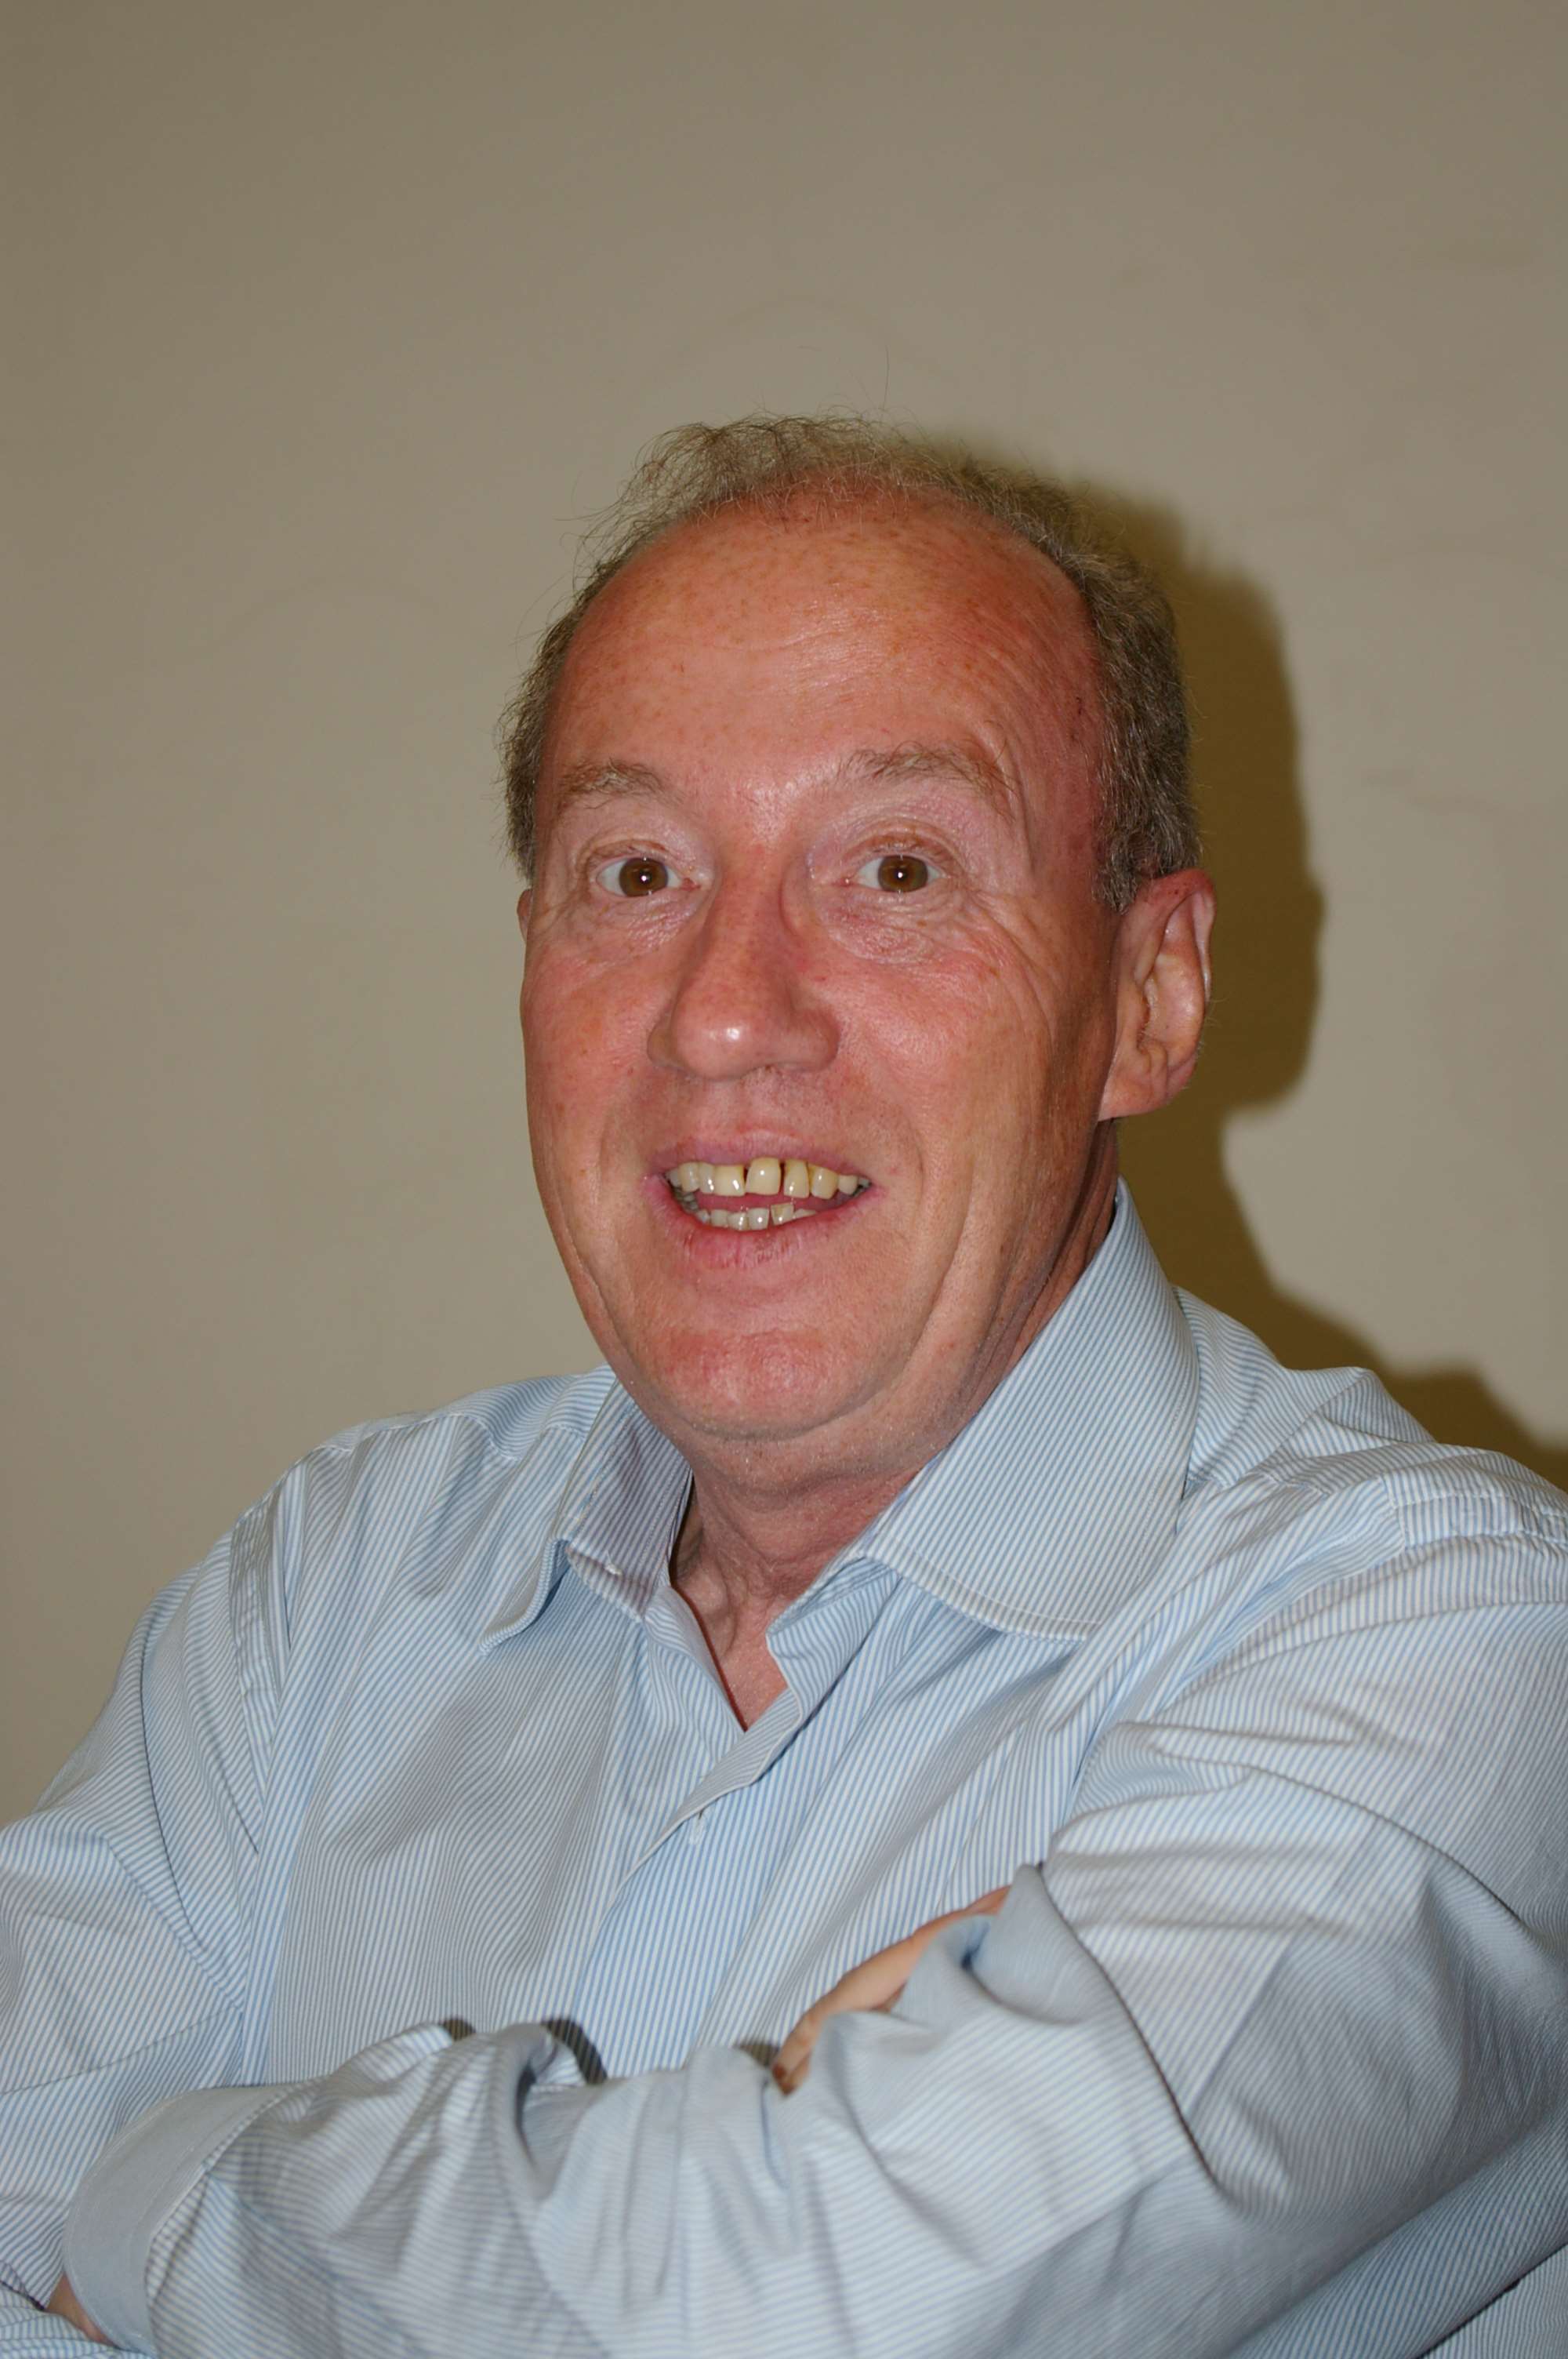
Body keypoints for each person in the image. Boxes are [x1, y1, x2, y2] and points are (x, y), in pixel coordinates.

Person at [5, 416, 1566, 2357]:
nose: (727, 1012)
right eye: (637, 871)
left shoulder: (1454, 1645)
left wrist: (163, 2192)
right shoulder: (316, 1601)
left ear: (1148, 994)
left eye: (897, 868)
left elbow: (786, 2317)